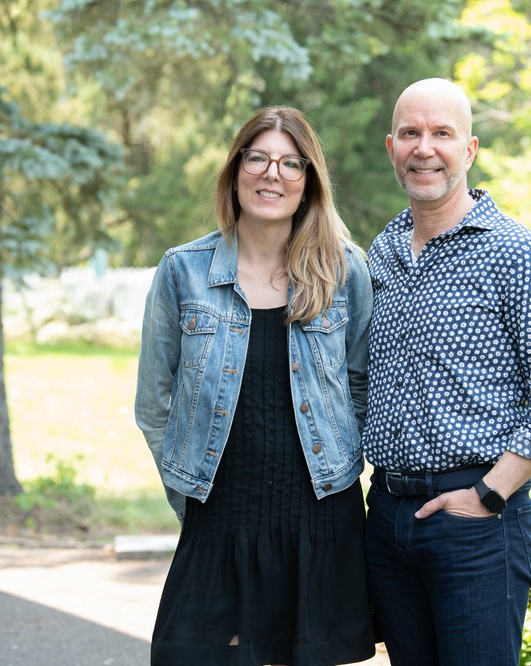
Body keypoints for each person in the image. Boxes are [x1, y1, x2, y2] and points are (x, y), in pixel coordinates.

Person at [135, 106, 376, 666]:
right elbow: (153, 405)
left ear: (309, 181)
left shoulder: (344, 270)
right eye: (259, 158)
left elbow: (363, 386)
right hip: (218, 521)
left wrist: (343, 467)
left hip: (320, 519)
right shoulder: (183, 271)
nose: (273, 174)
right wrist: (190, 494)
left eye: (291, 163)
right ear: (235, 169)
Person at [362, 78, 531, 666]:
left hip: (476, 522)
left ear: (469, 149)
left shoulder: (519, 255)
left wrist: (488, 495)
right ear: (391, 147)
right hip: (386, 516)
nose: (424, 148)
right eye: (410, 133)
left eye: (442, 133)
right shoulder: (381, 252)